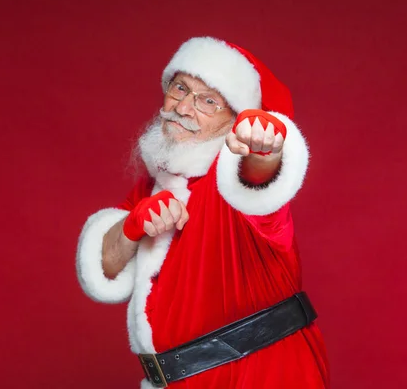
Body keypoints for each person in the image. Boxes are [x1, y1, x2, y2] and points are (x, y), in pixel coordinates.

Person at [76, 36, 329, 388]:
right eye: (180, 88)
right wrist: (132, 227)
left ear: (233, 121)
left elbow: (258, 178)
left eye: (208, 101)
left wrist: (262, 148)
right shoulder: (160, 181)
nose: (183, 107)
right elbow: (104, 264)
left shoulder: (231, 175)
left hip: (259, 376)